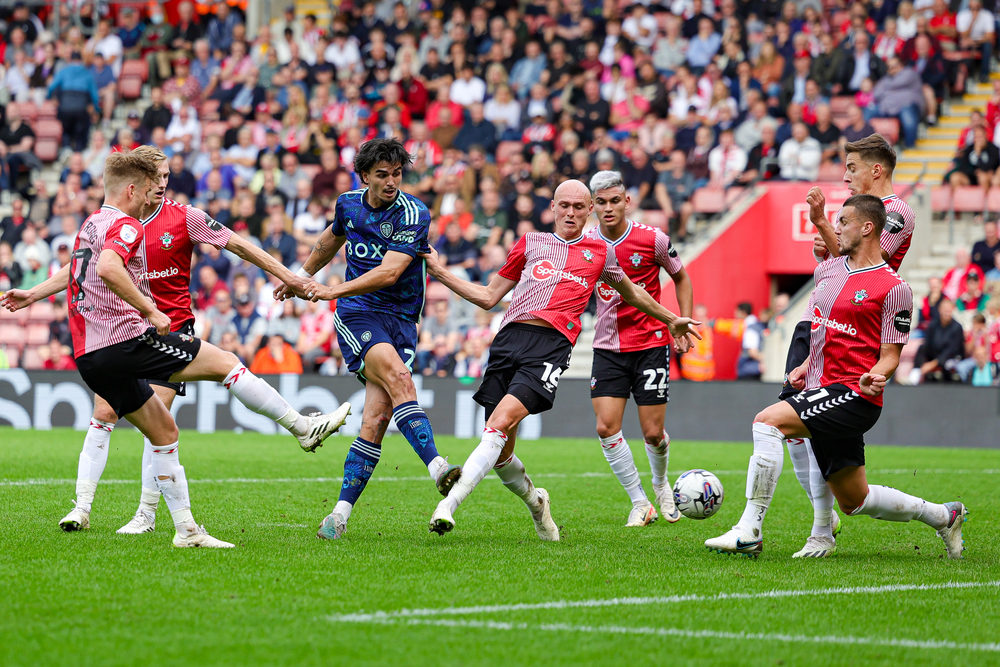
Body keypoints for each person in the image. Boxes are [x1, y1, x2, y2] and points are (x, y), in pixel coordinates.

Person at [1, 151, 349, 547]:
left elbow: (240, 246)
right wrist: (43, 294)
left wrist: (291, 276)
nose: (162, 184)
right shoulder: (124, 224)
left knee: (162, 426)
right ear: (138, 184)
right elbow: (104, 267)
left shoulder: (160, 219)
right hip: (133, 335)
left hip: (139, 337)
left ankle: (166, 522)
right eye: (156, 177)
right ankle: (301, 428)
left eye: (167, 176)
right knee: (215, 370)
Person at [419, 179, 700, 539]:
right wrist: (440, 272)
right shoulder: (530, 243)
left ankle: (449, 504)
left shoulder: (600, 252)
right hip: (508, 340)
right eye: (564, 205)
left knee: (499, 423)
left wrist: (670, 318)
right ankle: (537, 503)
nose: (570, 212)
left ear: (589, 211)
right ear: (552, 206)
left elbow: (632, 292)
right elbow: (489, 296)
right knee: (502, 451)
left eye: (579, 207)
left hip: (550, 347)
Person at [706, 194, 967, 560]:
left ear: (867, 227)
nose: (834, 227)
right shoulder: (826, 270)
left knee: (766, 423)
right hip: (821, 386)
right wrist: (805, 364)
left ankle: (749, 529)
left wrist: (875, 376)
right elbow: (824, 329)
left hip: (856, 395)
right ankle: (944, 515)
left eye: (842, 221)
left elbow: (890, 356)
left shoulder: (895, 289)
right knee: (853, 500)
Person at [276, 138, 462, 540]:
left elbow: (391, 272)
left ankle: (338, 517)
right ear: (364, 176)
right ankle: (438, 467)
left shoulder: (415, 213)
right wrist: (302, 277)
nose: (391, 181)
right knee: (399, 378)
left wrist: (329, 289)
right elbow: (330, 239)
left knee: (376, 420)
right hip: (359, 313)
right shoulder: (348, 204)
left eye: (396, 173)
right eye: (382, 175)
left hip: (402, 320)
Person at [778, 134, 916, 551]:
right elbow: (835, 263)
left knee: (789, 420)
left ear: (877, 169)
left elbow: (860, 265)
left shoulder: (896, 213)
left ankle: (820, 526)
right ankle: (822, 523)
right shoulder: (854, 214)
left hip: (852, 328)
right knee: (792, 418)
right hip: (819, 320)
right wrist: (827, 242)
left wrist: (823, 225)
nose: (846, 175)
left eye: (853, 167)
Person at [586, 171, 694, 527]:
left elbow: (681, 276)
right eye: (600, 202)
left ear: (627, 201)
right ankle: (639, 501)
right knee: (606, 427)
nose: (608, 208)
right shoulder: (585, 243)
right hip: (606, 347)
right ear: (592, 206)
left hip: (650, 344)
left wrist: (682, 321)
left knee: (652, 433)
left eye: (615, 200)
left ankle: (661, 485)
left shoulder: (653, 239)